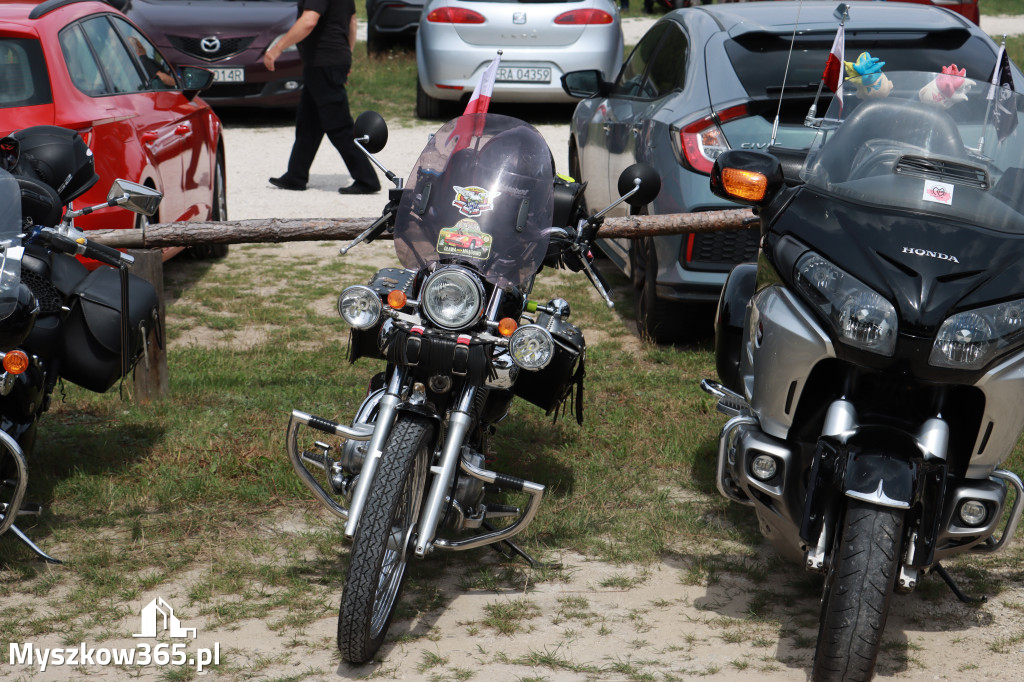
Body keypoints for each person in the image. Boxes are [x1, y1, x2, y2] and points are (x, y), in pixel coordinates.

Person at [264, 0, 380, 194]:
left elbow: (309, 21)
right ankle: (295, 176)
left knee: (340, 126)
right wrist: (346, 56)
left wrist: (277, 48)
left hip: (323, 63)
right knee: (308, 123)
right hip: (328, 62)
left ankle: (367, 179)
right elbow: (351, 21)